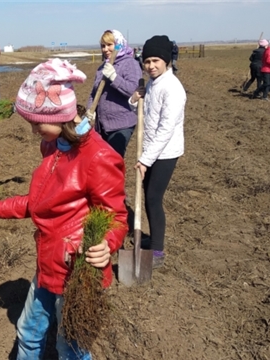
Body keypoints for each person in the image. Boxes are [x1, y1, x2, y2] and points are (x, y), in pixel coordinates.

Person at [0, 59, 128, 360]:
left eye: (35, 122)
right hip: (48, 265)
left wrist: (107, 243)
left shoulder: (97, 157)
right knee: (28, 333)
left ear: (59, 114)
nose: (33, 131)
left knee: (70, 347)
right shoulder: (54, 146)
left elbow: (116, 217)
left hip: (76, 271)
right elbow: (41, 201)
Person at [129, 35, 186, 269]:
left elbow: (165, 129)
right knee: (148, 196)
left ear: (166, 61)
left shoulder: (173, 88)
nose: (151, 66)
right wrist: (135, 98)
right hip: (151, 149)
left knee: (153, 198)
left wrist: (145, 159)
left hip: (165, 152)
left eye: (156, 61)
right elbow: (145, 110)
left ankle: (158, 250)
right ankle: (152, 239)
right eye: (147, 61)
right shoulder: (154, 82)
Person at [86, 30, 142, 158]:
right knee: (101, 162)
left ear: (118, 44)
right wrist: (90, 111)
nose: (105, 49)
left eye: (109, 45)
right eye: (103, 46)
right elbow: (94, 93)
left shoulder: (130, 64)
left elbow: (134, 90)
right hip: (102, 126)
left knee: (113, 160)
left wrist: (114, 77)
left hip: (121, 124)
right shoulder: (102, 68)